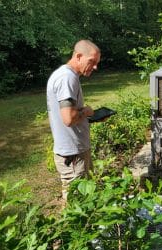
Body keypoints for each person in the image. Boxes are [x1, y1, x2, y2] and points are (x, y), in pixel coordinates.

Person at [46, 39, 101, 203]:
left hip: (74, 150)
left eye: (97, 63)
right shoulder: (67, 78)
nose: (95, 67)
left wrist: (89, 118)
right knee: (77, 204)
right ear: (78, 56)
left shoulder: (65, 75)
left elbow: (66, 114)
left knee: (84, 199)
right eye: (92, 61)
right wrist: (87, 111)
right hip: (73, 154)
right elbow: (69, 119)